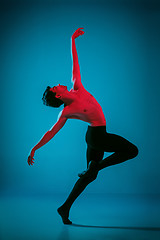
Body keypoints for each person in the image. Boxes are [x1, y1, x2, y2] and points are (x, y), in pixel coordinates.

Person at [28, 28, 138, 225]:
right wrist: (34, 148)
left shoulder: (77, 85)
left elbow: (75, 63)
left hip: (94, 135)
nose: (58, 85)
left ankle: (64, 208)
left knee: (89, 176)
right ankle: (95, 167)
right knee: (132, 150)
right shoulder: (67, 111)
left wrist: (72, 39)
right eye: (56, 88)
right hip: (97, 136)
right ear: (59, 96)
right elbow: (51, 131)